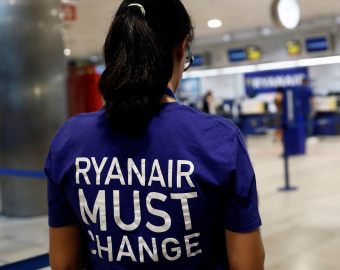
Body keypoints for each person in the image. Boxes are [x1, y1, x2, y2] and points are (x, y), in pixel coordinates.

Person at [45, 1, 264, 269]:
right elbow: (247, 265)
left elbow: (64, 264)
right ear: (182, 48)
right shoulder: (220, 139)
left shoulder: (70, 140)